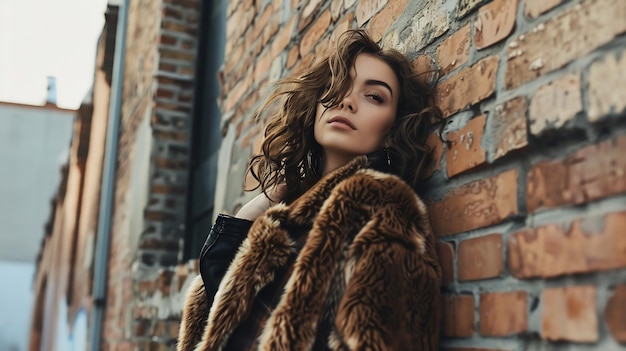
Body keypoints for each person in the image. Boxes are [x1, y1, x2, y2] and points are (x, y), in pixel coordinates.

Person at [177, 29, 443, 351]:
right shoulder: (293, 213)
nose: (346, 100)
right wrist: (267, 200)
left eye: (374, 96)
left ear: (391, 131)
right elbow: (231, 318)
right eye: (338, 85)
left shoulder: (385, 214)